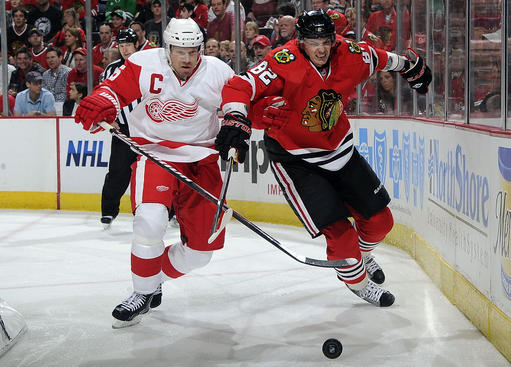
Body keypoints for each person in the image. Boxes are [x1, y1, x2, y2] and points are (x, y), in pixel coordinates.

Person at [216, 10, 431, 307]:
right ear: (300, 41)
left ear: (333, 40)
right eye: (312, 41)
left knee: (381, 222)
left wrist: (410, 66)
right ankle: (358, 283)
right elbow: (240, 85)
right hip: (297, 160)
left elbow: (381, 58)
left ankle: (362, 256)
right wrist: (235, 118)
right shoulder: (282, 62)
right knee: (341, 237)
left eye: (325, 41)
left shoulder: (351, 53)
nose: (320, 48)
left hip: (340, 151)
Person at [74, 18, 234, 327]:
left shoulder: (218, 71)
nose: (187, 59)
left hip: (202, 160)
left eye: (193, 51)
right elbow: (113, 90)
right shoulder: (144, 63)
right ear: (167, 48)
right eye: (179, 51)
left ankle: (151, 279)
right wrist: (99, 101)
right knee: (149, 222)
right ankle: (141, 293)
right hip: (155, 153)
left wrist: (235, 125)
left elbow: (238, 106)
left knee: (200, 253)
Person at [98, 28, 140, 229]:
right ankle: (108, 211)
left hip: (149, 129)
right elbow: (104, 96)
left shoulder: (151, 66)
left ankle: (171, 210)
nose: (124, 50)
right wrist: (108, 117)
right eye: (121, 46)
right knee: (117, 171)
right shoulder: (111, 69)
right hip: (123, 129)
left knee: (159, 170)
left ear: (136, 45)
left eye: (128, 45)